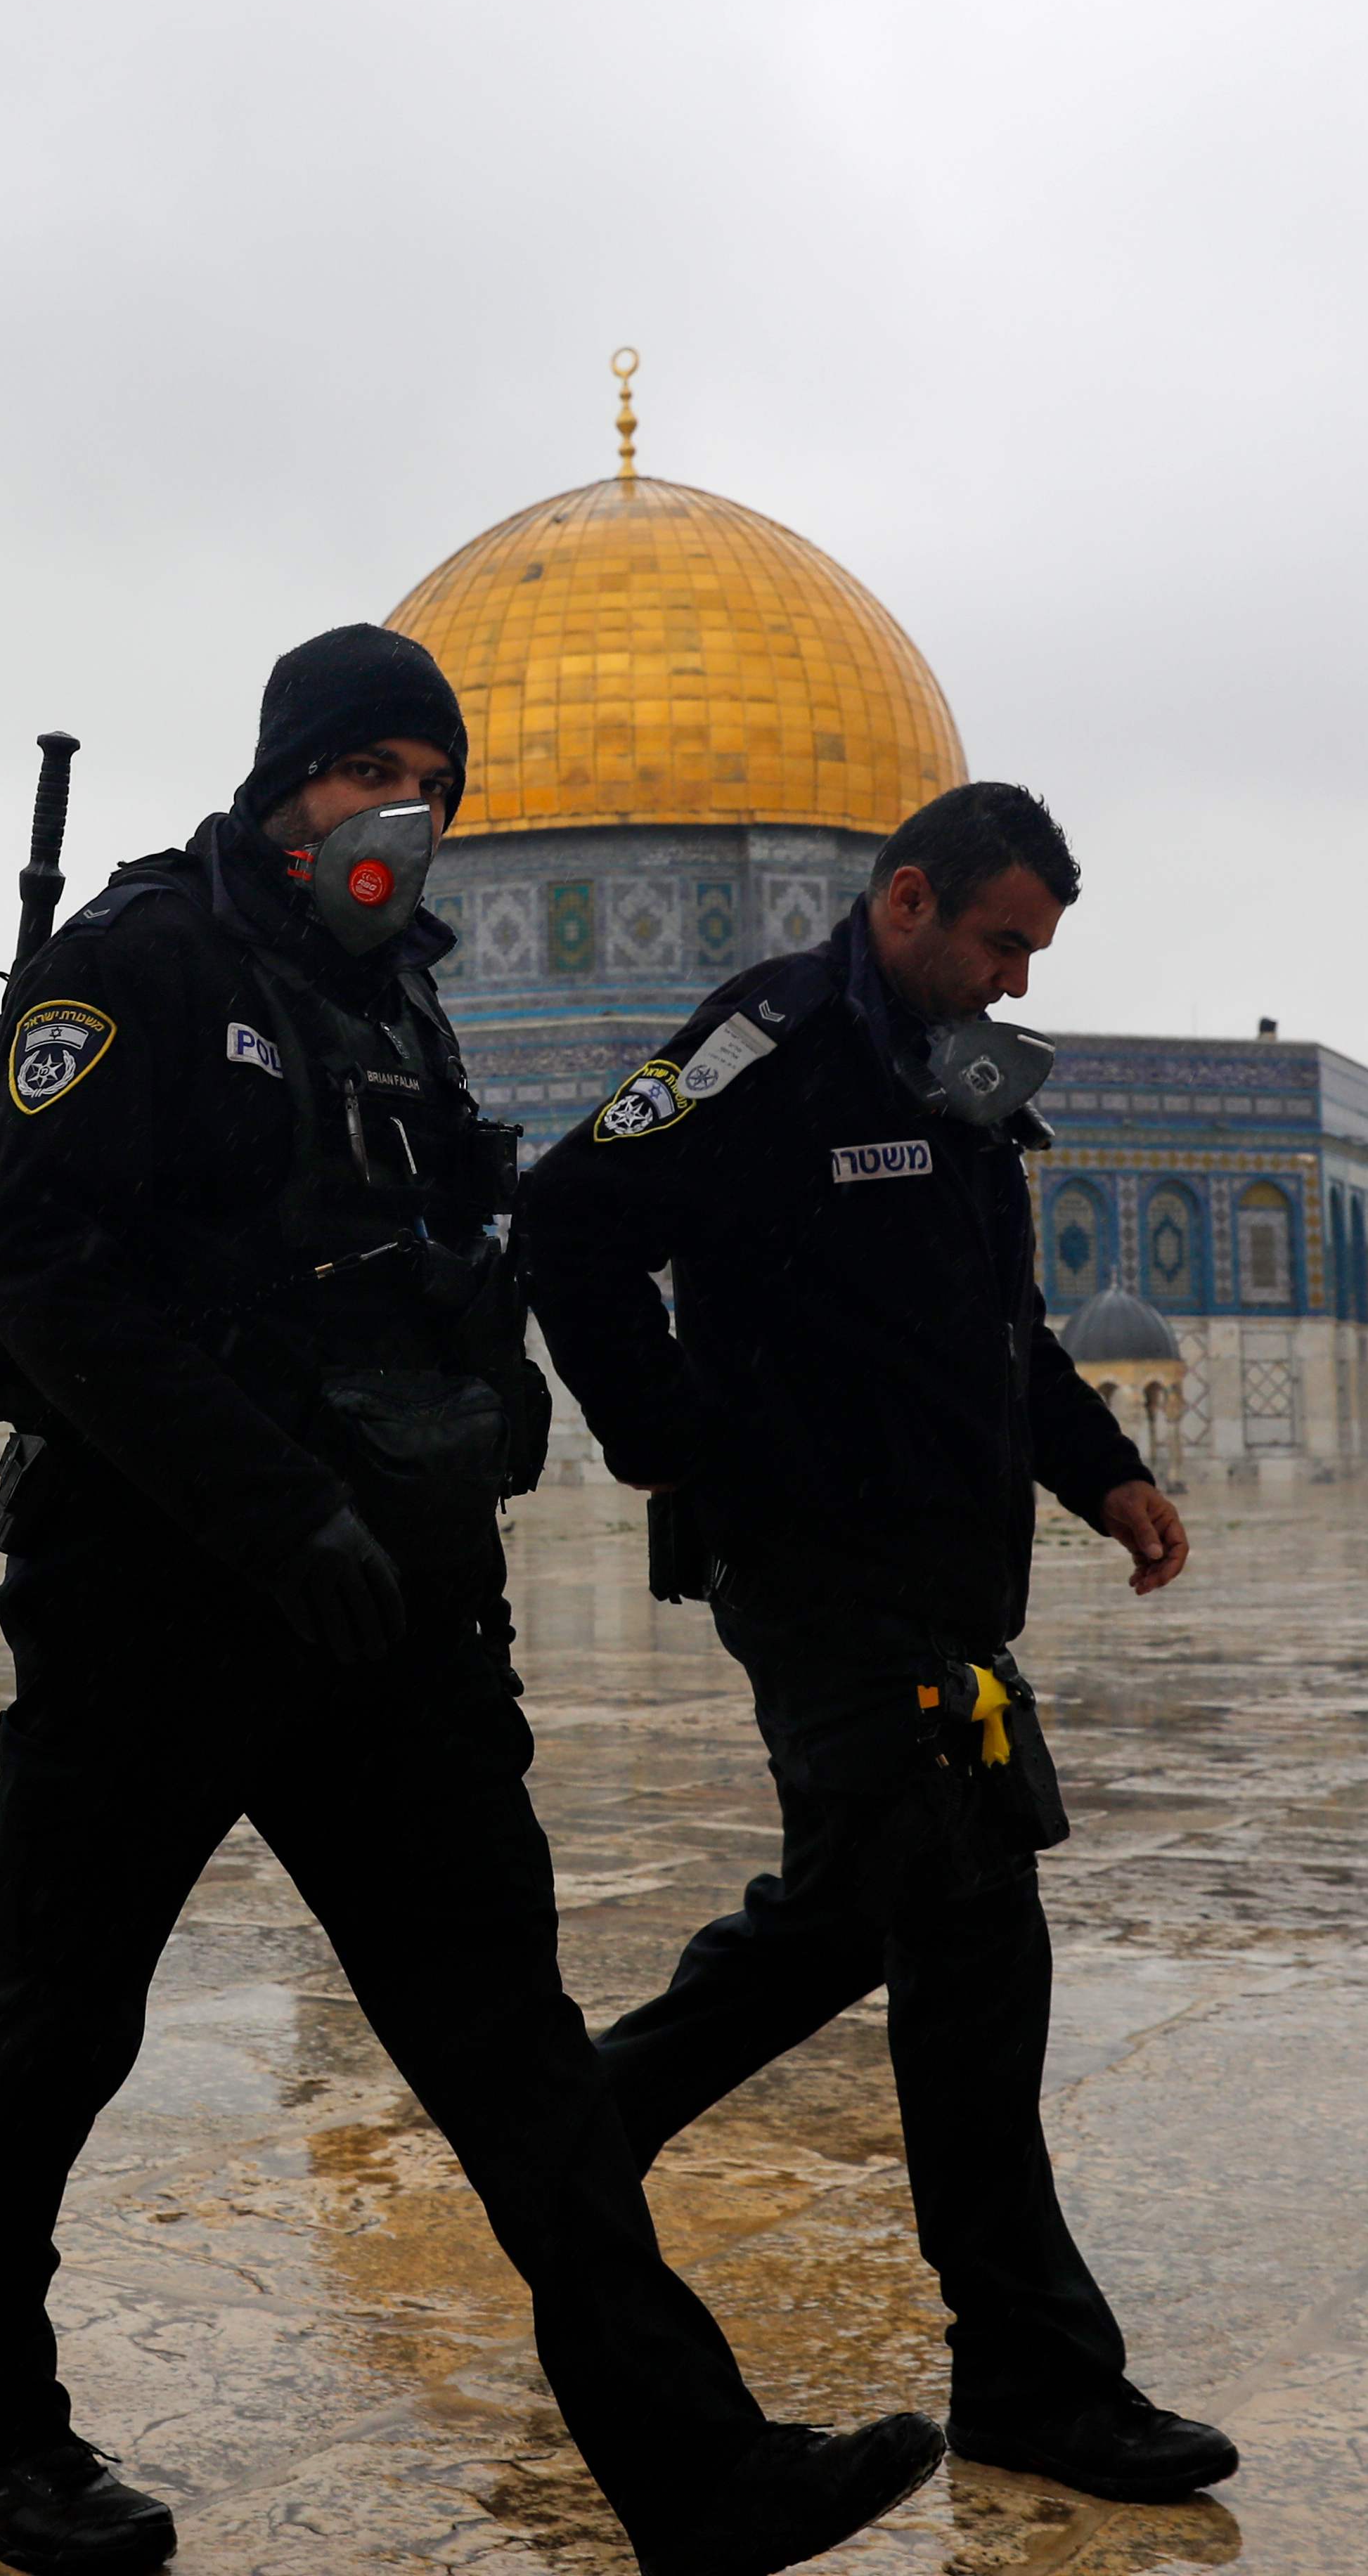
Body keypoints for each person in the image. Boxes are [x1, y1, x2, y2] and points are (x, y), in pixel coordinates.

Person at [0, 628, 948, 2576]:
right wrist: (274, 1506)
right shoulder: (138, 968)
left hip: (382, 1626)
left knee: (511, 2050)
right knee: (58, 2009)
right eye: (363, 765)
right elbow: (47, 1276)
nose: (401, 809)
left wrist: (494, 1432)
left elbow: (433, 1262)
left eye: (432, 779)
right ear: (282, 778)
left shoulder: (398, 1008)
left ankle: (697, 2474)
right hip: (156, 1606)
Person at [516, 780, 1240, 2509]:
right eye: (998, 941)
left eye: (1035, 953)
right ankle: (1038, 2372)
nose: (1013, 980)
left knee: (889, 1925)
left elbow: (1001, 1330)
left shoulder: (963, 1077)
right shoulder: (767, 1040)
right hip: (824, 1574)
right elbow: (568, 1222)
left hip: (944, 1583)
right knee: (942, 1932)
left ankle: (565, 2153)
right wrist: (674, 1432)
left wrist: (1106, 1471)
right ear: (906, 899)